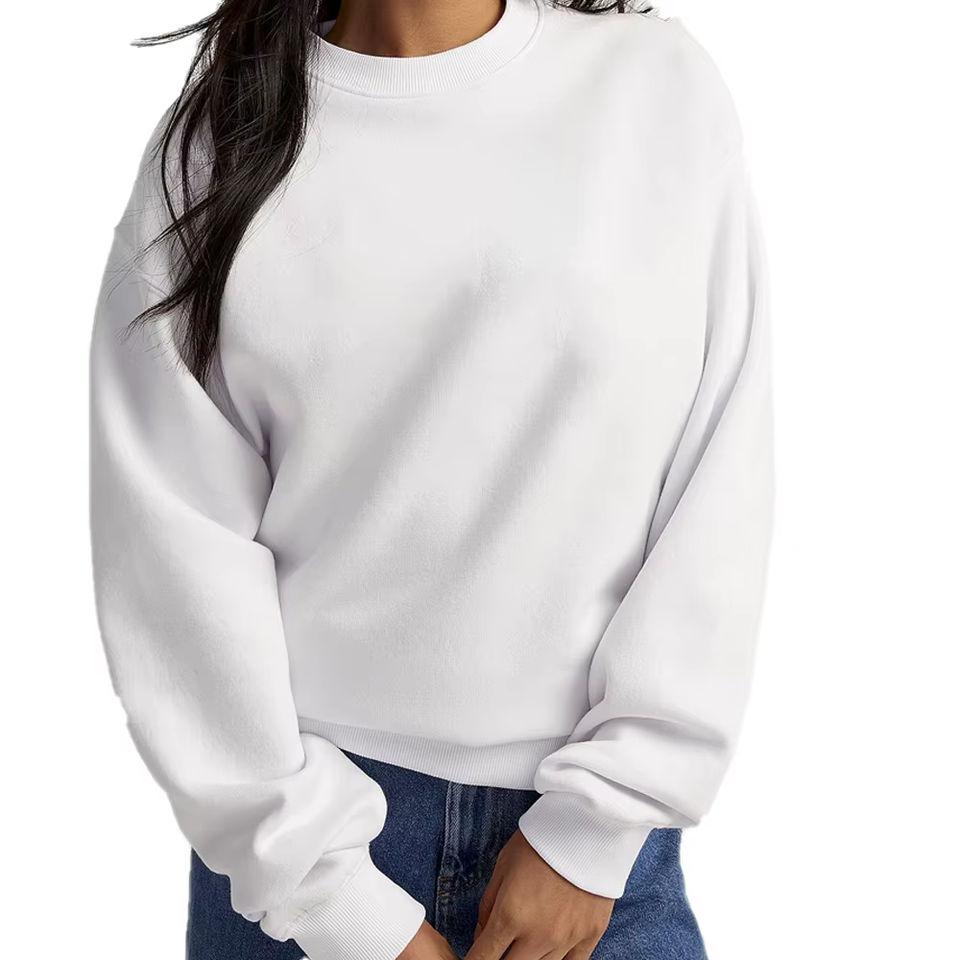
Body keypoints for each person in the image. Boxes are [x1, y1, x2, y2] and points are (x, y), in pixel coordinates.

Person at [87, 0, 775, 958]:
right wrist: (335, 902)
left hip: (593, 872)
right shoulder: (215, 150)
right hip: (304, 858)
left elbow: (720, 469)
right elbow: (170, 555)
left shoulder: (652, 85)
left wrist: (597, 829)